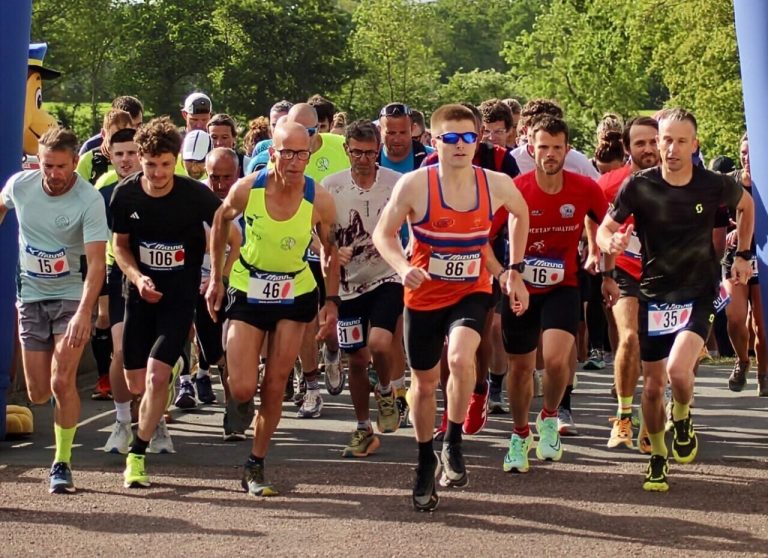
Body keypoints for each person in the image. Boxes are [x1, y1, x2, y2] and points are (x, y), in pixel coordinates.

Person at [373, 103, 530, 512]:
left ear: (477, 141)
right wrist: (403, 266)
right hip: (424, 292)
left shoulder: (494, 182)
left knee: (461, 359)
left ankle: (453, 439)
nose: (461, 147)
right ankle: (426, 459)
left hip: (471, 289)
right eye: (451, 139)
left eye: (468, 138)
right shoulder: (414, 184)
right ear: (436, 142)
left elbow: (520, 211)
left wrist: (512, 268)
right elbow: (383, 235)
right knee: (424, 384)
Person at [597, 108, 754, 492]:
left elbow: (746, 206)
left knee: (678, 372)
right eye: (666, 139)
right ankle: (657, 457)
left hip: (699, 292)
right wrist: (610, 242)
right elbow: (605, 229)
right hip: (655, 294)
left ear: (694, 145)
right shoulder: (639, 186)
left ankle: (681, 416)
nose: (671, 148)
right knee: (651, 387)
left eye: (681, 141)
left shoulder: (712, 183)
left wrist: (745, 254)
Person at [206, 121, 340, 496]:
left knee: (275, 385)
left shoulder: (320, 199)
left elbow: (330, 250)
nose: (296, 161)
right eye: (288, 153)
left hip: (294, 292)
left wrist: (331, 302)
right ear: (273, 153)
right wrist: (216, 277)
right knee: (245, 386)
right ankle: (238, 397)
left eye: (303, 154)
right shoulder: (248, 189)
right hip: (248, 288)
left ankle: (255, 463)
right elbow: (220, 219)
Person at [489, 115, 608, 474]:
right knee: (521, 368)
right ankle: (519, 433)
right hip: (521, 289)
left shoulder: (585, 188)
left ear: (567, 149)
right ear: (531, 147)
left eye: (557, 147)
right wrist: (504, 275)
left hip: (563, 285)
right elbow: (483, 240)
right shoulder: (516, 189)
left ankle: (550, 416)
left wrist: (601, 254)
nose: (550, 154)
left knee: (557, 360)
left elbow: (607, 225)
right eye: (543, 147)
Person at [111, 117, 222, 488]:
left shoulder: (194, 195)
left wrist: (217, 275)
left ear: (175, 160)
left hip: (179, 299)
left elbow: (229, 230)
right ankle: (171, 373)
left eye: (165, 165)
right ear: (140, 160)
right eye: (150, 165)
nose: (158, 173)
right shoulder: (124, 195)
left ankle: (137, 455)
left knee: (156, 377)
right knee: (137, 384)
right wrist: (137, 277)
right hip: (139, 299)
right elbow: (120, 246)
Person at [0, 126, 109, 493]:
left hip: (71, 298)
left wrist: (84, 311)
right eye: (47, 165)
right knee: (37, 393)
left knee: (63, 380)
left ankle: (61, 463)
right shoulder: (21, 185)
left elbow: (97, 264)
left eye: (61, 166)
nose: (54, 174)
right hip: (30, 295)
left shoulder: (88, 199)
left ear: (75, 162)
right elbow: (2, 204)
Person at [322, 119, 404, 457]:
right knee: (355, 359)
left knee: (380, 342)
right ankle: (362, 428)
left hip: (387, 276)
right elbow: (318, 235)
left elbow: (416, 220)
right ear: (346, 151)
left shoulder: (396, 183)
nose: (364, 160)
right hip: (347, 284)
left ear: (379, 151)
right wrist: (329, 250)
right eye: (356, 153)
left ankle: (386, 389)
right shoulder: (331, 186)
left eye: (370, 153)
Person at [598, 116, 660, 451]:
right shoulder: (610, 184)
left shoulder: (682, 182)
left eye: (654, 141)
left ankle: (660, 412)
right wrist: (604, 263)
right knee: (630, 336)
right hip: (625, 269)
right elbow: (598, 225)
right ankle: (623, 416)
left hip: (667, 272)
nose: (649, 149)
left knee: (662, 349)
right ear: (627, 148)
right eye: (640, 143)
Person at [95, 128, 144, 454]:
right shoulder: (103, 192)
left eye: (131, 153)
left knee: (153, 357)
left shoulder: (162, 184)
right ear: (110, 156)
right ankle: (122, 421)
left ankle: (155, 421)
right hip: (118, 277)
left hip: (159, 277)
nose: (126, 160)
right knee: (122, 350)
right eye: (119, 154)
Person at [721, 133, 768, 396]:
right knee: (735, 317)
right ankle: (742, 360)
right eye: (742, 152)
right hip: (734, 259)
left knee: (762, 323)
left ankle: (764, 373)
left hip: (763, 260)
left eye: (751, 153)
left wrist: (746, 230)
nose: (746, 158)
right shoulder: (730, 182)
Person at [377, 102, 433, 173]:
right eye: (391, 133)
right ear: (379, 130)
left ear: (412, 129)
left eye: (403, 133)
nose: (397, 140)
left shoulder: (433, 158)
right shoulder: (369, 161)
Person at [79, 95, 144, 156]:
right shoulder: (90, 147)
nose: (135, 132)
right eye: (129, 127)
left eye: (139, 126)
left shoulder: (145, 143)